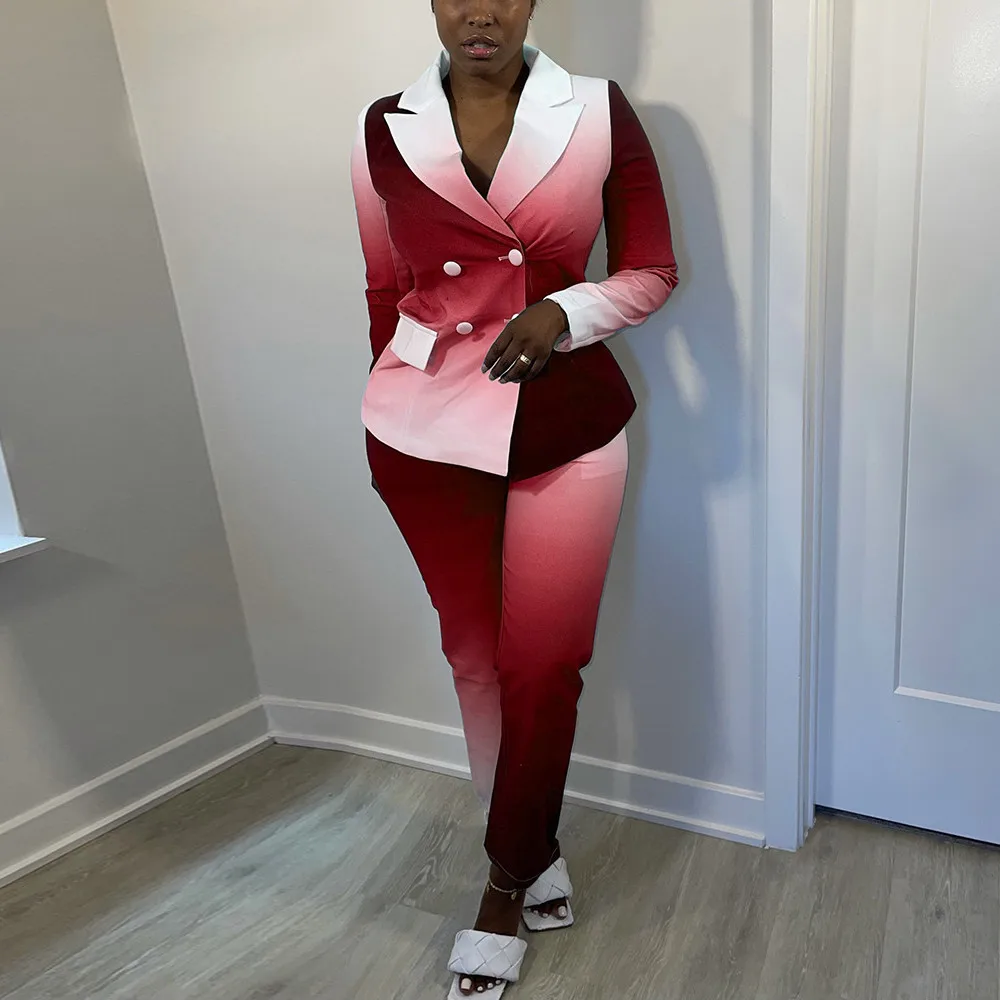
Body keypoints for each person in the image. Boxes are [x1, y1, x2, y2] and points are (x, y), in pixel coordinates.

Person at [351, 1, 677, 995]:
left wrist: (564, 310)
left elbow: (652, 269)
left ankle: (504, 876)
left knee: (543, 665)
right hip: (423, 433)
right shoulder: (383, 124)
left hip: (564, 420)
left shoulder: (597, 111)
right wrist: (394, 398)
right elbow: (383, 286)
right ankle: (533, 849)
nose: (479, 10)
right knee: (475, 660)